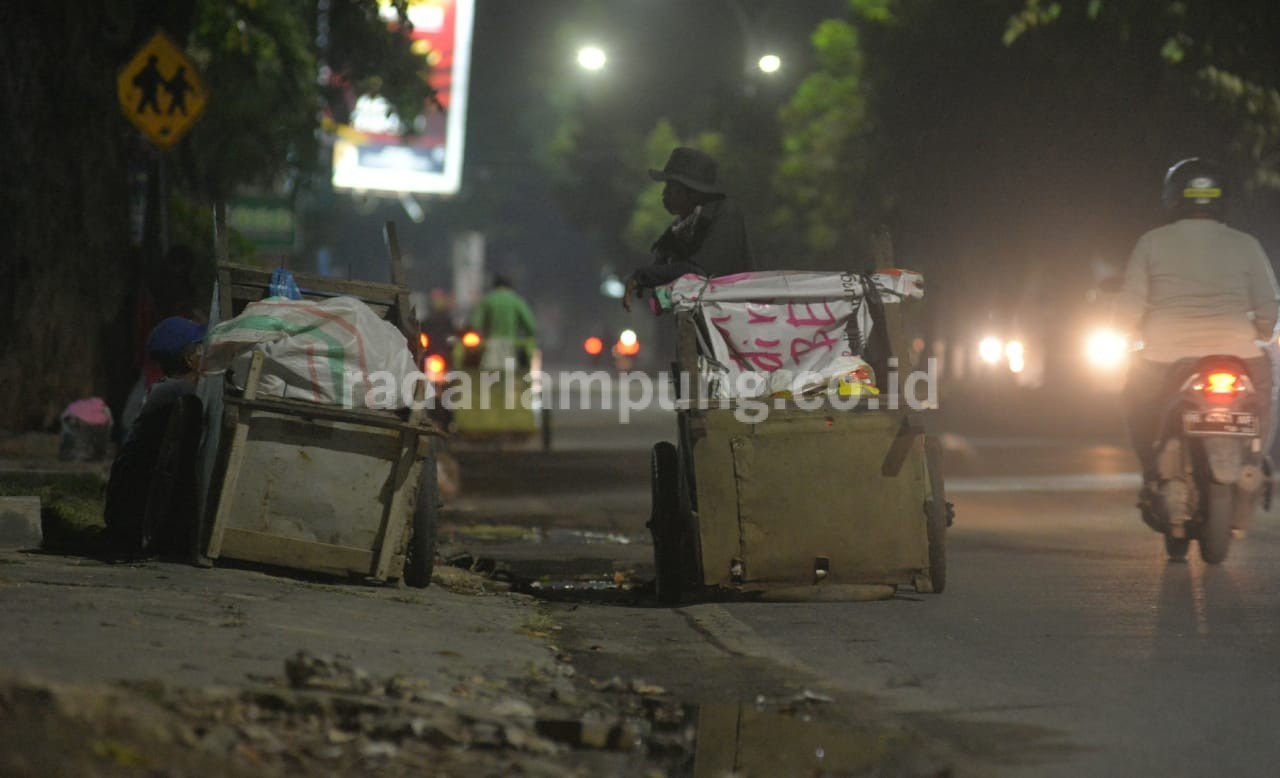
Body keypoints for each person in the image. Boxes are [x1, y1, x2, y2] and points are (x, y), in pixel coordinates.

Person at [1115, 158, 1280, 493]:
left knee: (1137, 402)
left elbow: (1129, 304)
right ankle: (1256, 457)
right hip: (1238, 352)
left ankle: (1152, 470)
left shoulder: (1152, 242)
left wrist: (1126, 331)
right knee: (1268, 394)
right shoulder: (1245, 243)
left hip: (1163, 355)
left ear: (1174, 197)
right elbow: (1267, 305)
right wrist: (1262, 331)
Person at [102, 317, 206, 555]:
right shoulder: (178, 392)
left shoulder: (165, 388)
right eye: (202, 347)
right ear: (191, 359)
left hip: (129, 507)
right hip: (138, 512)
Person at [622, 147, 755, 312]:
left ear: (694, 193)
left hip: (734, 320)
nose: (664, 194)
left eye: (671, 188)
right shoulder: (684, 226)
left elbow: (700, 271)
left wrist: (643, 276)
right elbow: (662, 264)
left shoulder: (726, 215)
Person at [468, 275, 537, 371]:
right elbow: (530, 325)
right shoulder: (516, 301)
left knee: (489, 375)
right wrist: (529, 337)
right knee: (511, 375)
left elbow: (475, 324)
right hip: (511, 344)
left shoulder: (488, 300)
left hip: (491, 345)